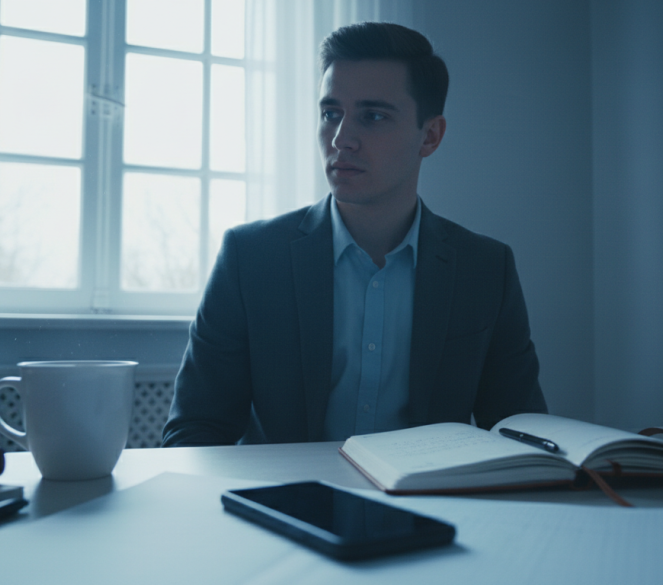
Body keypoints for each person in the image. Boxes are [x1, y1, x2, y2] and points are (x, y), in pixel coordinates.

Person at [161, 22, 546, 447]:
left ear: (430, 136)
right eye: (331, 114)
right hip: (283, 505)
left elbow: (522, 431)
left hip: (427, 509)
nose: (342, 139)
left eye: (373, 116)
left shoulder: (485, 269)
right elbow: (194, 432)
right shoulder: (250, 257)